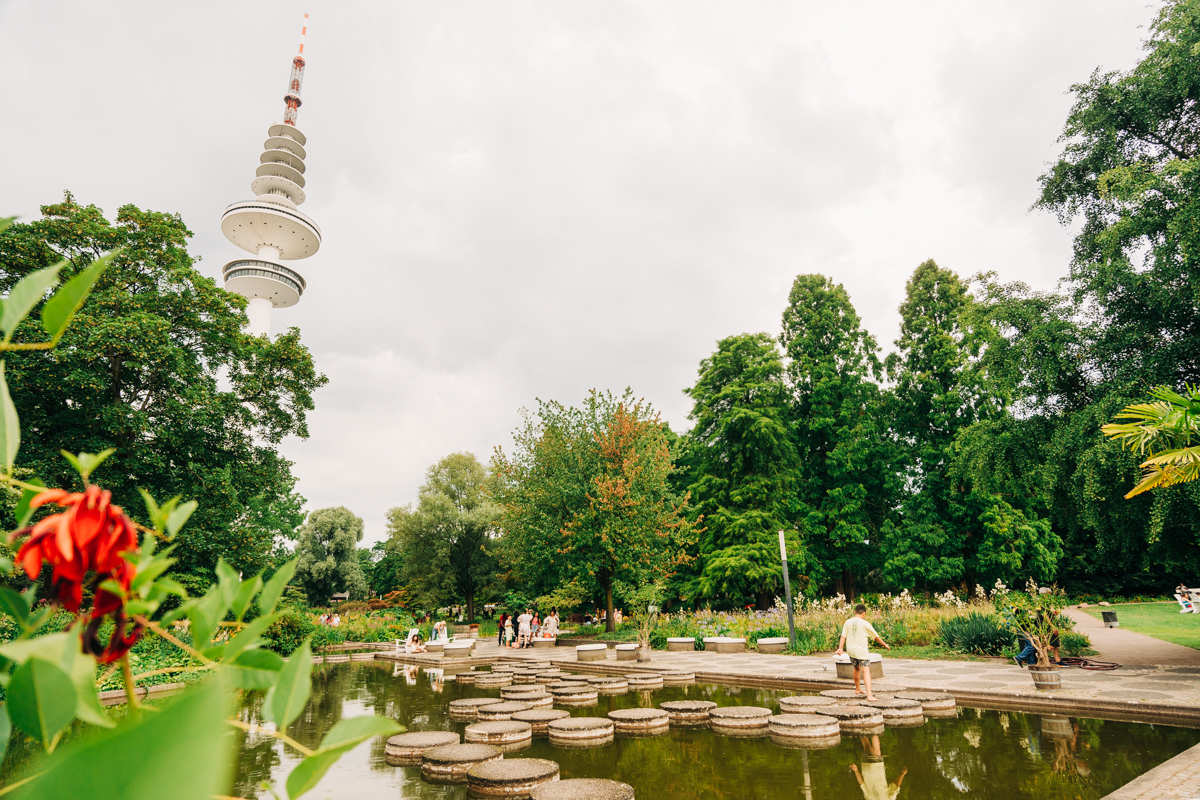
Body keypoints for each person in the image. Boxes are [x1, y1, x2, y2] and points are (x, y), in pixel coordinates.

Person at [835, 604, 891, 701]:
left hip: (851, 650)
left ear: (855, 612)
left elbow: (843, 636)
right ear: (864, 614)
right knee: (866, 670)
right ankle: (869, 695)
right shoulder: (865, 624)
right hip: (861, 651)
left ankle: (858, 689)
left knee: (856, 668)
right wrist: (885, 644)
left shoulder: (847, 622)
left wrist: (840, 648)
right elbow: (876, 637)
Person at [849, 734, 906, 799]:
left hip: (876, 769)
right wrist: (856, 770)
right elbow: (861, 783)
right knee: (866, 745)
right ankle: (862, 727)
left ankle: (874, 727)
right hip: (866, 769)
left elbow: (896, 784)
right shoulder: (869, 798)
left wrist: (902, 773)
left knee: (876, 748)